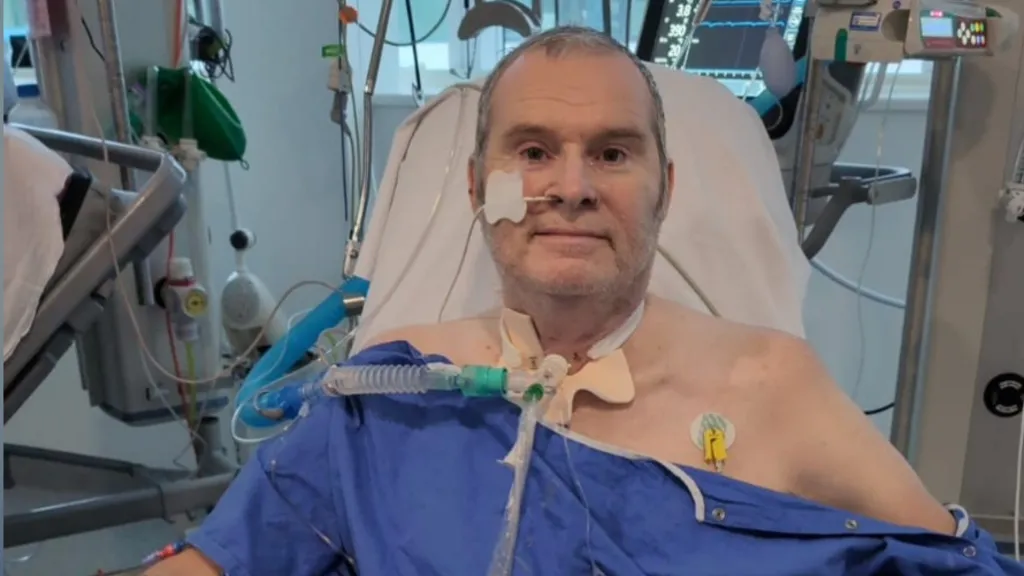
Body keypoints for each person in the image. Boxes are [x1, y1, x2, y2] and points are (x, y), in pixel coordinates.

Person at [147, 27, 1018, 575]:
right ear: (473, 184)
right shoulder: (395, 391)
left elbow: (956, 563)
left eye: (611, 153)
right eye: (531, 151)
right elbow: (227, 555)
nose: (569, 187)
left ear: (663, 190)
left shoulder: (770, 383)